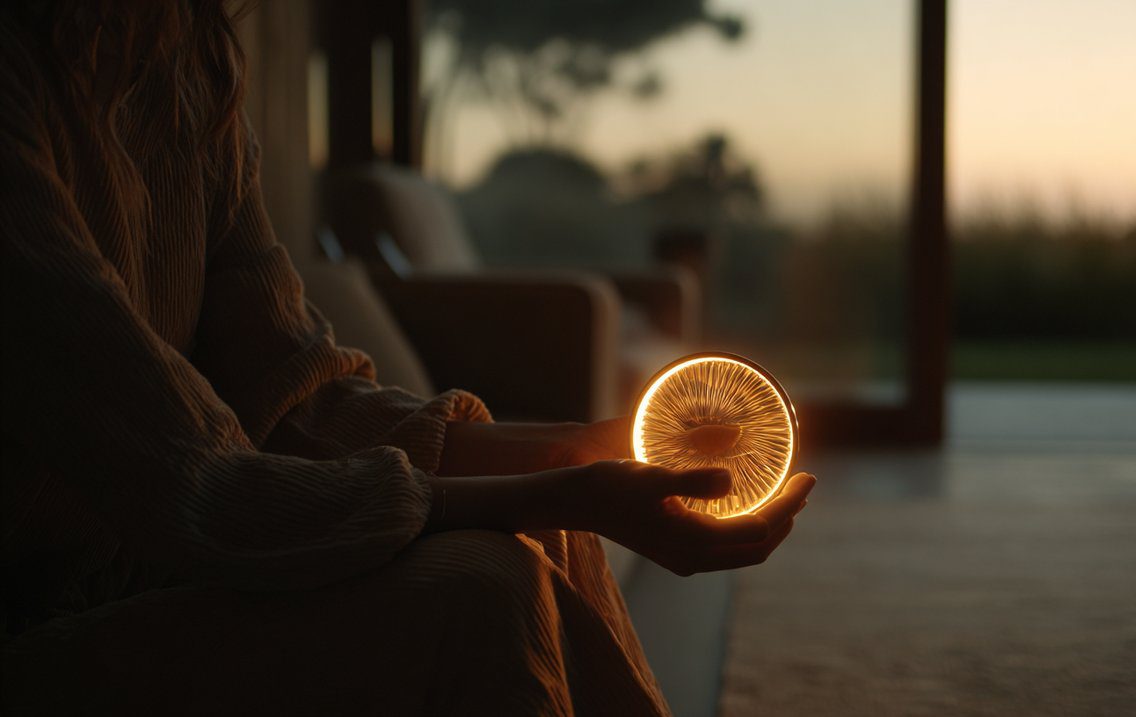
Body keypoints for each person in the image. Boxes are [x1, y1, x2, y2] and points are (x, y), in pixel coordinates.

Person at [0, 2, 816, 714]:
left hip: (165, 572)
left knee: (543, 529)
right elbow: (197, 480)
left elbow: (296, 401)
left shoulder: (193, 76)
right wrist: (563, 488)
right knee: (483, 585)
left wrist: (577, 451)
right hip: (41, 620)